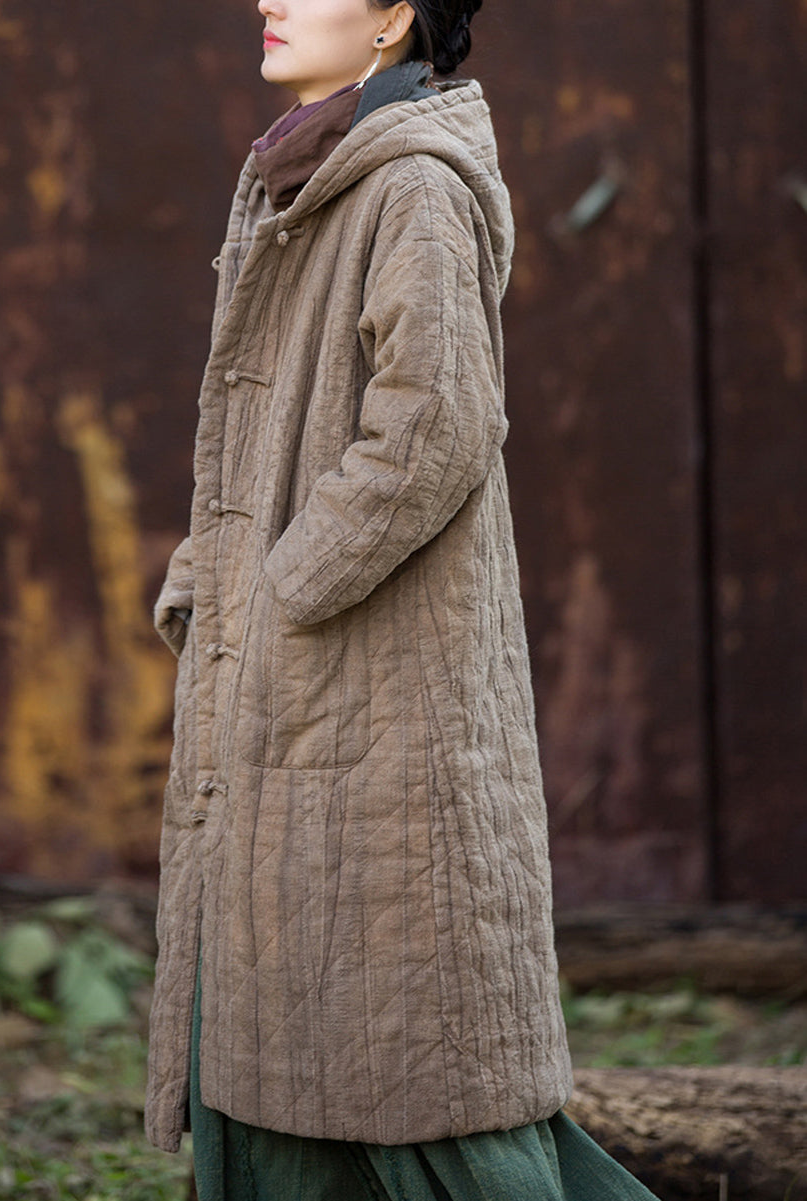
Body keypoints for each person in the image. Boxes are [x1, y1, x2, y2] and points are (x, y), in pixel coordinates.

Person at [145, 1, 662, 1197]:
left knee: (416, 1056)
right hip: (296, 679)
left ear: (394, 17)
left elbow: (437, 421)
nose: (270, 0)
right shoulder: (299, 170)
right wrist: (214, 580)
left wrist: (284, 585)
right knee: (286, 1024)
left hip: (373, 681)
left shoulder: (412, 184)